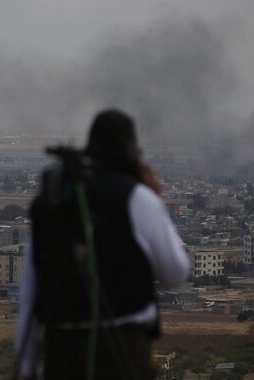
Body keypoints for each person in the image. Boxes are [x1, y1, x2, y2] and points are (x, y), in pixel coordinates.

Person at [17, 109, 190, 379]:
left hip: (62, 352)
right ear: (131, 147)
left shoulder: (54, 199)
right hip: (123, 350)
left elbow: (29, 289)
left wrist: (26, 366)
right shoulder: (137, 196)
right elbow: (175, 273)